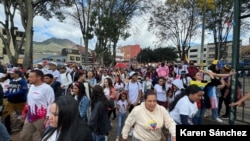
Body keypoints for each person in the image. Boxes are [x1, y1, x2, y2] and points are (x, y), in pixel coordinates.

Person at [20, 70, 55, 141]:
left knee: (45, 137)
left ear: (38, 77)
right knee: (24, 136)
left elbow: (51, 103)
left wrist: (48, 117)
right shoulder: (31, 87)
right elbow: (29, 101)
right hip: (30, 116)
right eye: (28, 77)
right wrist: (24, 112)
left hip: (42, 117)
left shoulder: (47, 88)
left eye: (31, 77)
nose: (28, 78)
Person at [2, 67, 28, 134]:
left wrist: (11, 95)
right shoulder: (11, 81)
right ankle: (8, 129)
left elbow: (23, 90)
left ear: (17, 74)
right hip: (10, 102)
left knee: (23, 115)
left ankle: (24, 128)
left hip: (20, 102)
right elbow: (8, 89)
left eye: (12, 73)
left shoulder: (22, 81)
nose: (11, 75)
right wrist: (6, 94)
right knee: (6, 115)